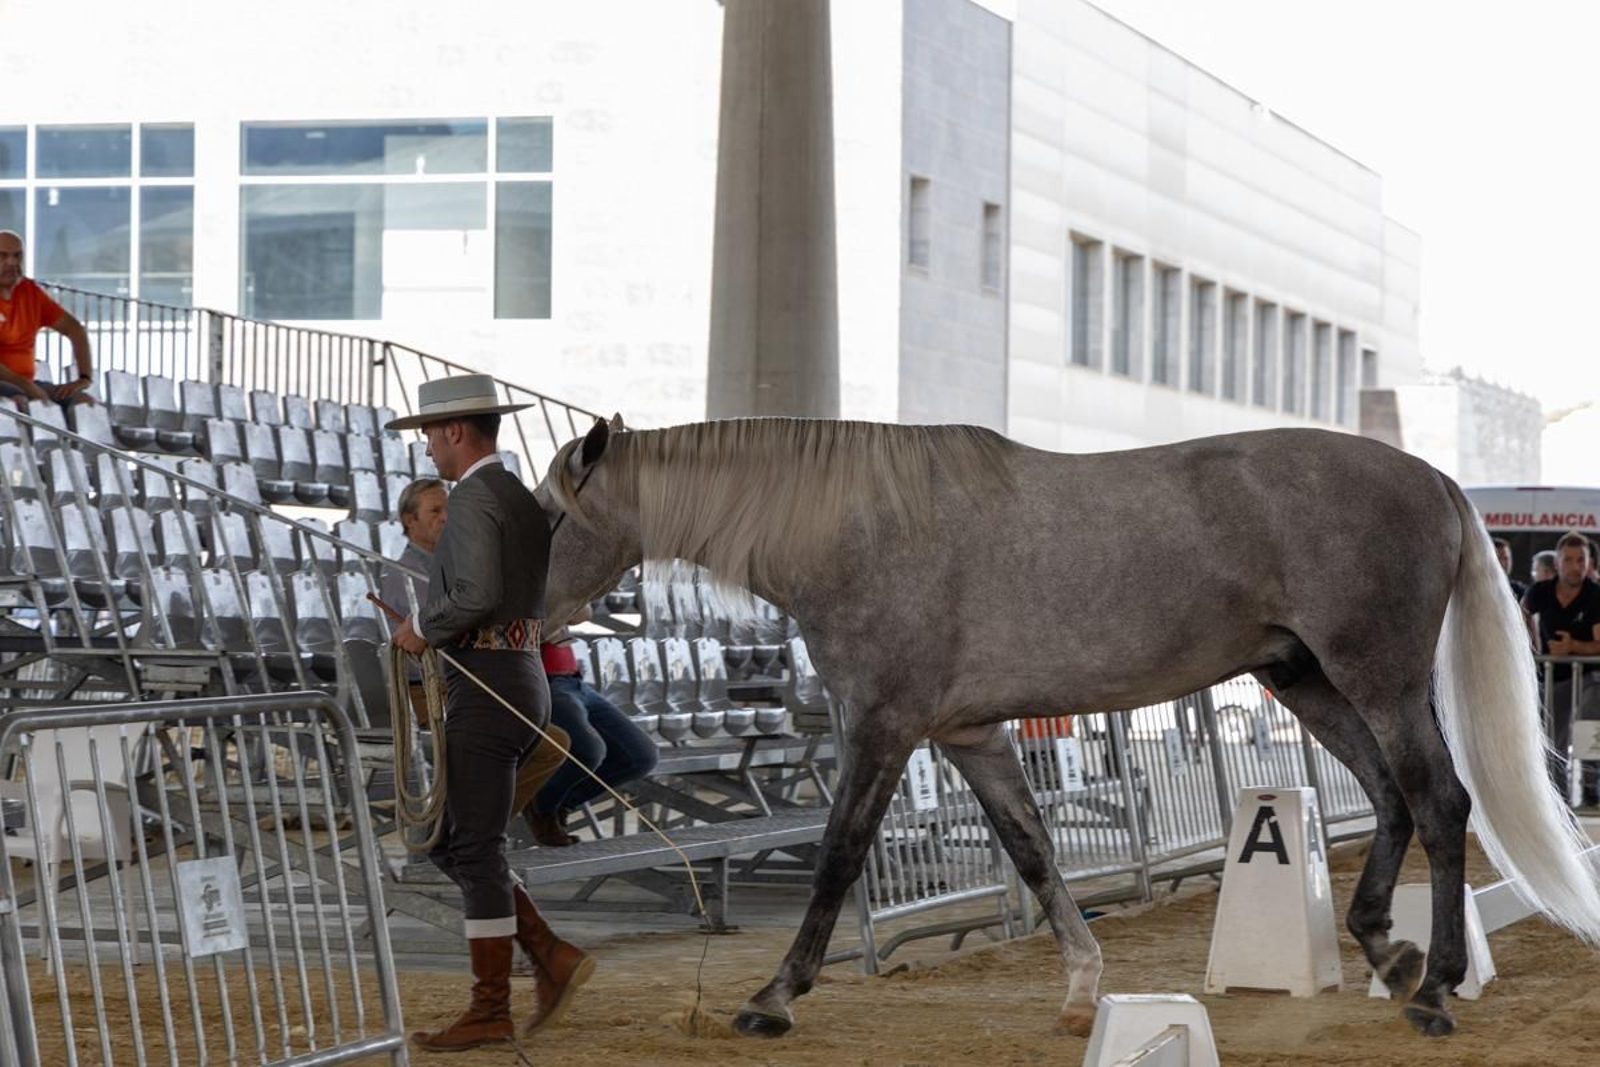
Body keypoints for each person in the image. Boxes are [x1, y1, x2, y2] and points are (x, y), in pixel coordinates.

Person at [387, 375, 593, 1051]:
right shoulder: (520, 498)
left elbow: (472, 592)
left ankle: (492, 1006)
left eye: (429, 434)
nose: (428, 448)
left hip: (487, 684)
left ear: (454, 431)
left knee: (471, 847)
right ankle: (547, 954)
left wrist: (422, 625)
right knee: (457, 842)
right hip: (523, 672)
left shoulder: (475, 497)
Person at [521, 606, 659, 847]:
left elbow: (583, 613)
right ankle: (542, 807)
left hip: (573, 680)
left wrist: (558, 612)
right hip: (541, 681)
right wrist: (555, 616)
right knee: (588, 750)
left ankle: (559, 803)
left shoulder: (549, 579)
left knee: (641, 755)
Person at [1521, 531, 1600, 810]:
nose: (1575, 566)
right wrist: (1530, 644)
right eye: (1569, 560)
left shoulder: (1595, 594)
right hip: (1554, 675)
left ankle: (1591, 790)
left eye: (1581, 560)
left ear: (1589, 563)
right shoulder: (1540, 591)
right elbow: (1523, 612)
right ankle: (1557, 797)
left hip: (1591, 675)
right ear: (1558, 562)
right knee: (1552, 735)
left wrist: (1572, 647)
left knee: (1590, 724)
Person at [0, 230, 97, 409]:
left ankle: (70, 437)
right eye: (3, 256)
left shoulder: (31, 292)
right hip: (10, 387)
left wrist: (84, 378)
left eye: (17, 255)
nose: (11, 262)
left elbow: (75, 329)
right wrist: (26, 386)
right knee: (19, 400)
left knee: (84, 403)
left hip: (27, 383)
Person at [1494, 537, 1528, 602]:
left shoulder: (1519, 591)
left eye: (1506, 558)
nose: (1503, 563)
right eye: (1498, 558)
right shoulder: (1479, 589)